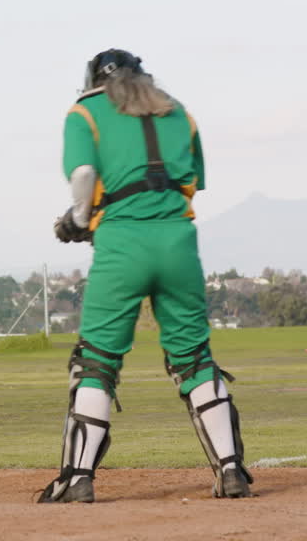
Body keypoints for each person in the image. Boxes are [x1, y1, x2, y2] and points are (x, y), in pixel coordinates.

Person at [37, 49, 253, 504]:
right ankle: (231, 471)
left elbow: (83, 172)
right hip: (178, 242)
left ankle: (78, 479)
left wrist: (79, 218)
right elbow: (189, 181)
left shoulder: (85, 112)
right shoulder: (180, 114)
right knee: (193, 359)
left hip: (121, 244)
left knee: (96, 362)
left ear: (92, 82)